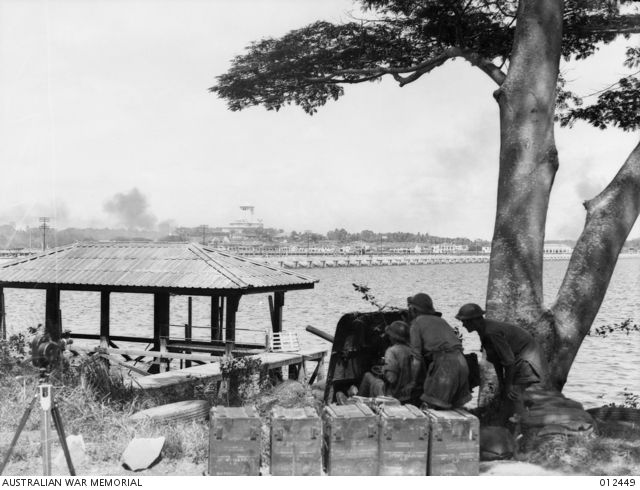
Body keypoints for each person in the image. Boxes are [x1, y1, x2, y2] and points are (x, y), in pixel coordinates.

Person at [455, 303, 547, 422]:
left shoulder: (491, 332)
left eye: (465, 321)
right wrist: (503, 383)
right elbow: (497, 360)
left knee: (514, 394)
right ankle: (506, 421)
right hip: (520, 359)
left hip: (527, 361)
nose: (463, 324)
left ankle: (523, 425)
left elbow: (509, 362)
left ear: (474, 321)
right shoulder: (483, 331)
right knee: (508, 393)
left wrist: (508, 386)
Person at [408, 293, 472, 409]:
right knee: (455, 409)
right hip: (462, 362)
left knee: (433, 407)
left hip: (446, 365)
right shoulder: (441, 321)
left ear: (413, 309)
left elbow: (416, 359)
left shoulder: (416, 324)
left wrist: (412, 382)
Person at [358, 320, 414, 403]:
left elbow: (391, 379)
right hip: (409, 396)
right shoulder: (413, 351)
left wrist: (384, 370)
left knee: (367, 376)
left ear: (393, 337)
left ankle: (356, 401)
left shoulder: (391, 351)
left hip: (392, 397)